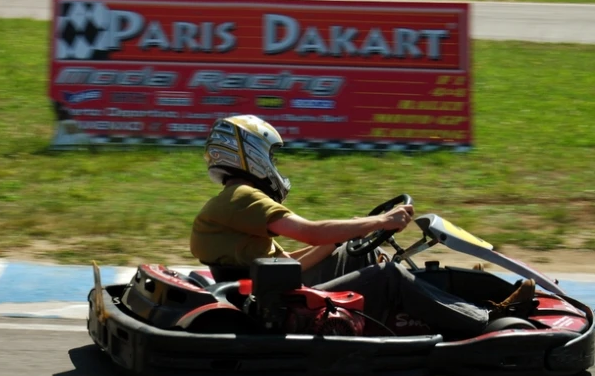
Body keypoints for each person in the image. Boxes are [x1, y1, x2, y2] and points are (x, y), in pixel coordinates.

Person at [189, 114, 535, 336]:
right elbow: (308, 231)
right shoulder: (242, 197)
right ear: (250, 154)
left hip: (270, 292)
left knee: (358, 255)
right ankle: (485, 322)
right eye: (273, 156)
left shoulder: (232, 201)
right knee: (388, 276)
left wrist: (348, 236)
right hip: (275, 305)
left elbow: (284, 265)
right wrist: (380, 220)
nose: (276, 164)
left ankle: (441, 305)